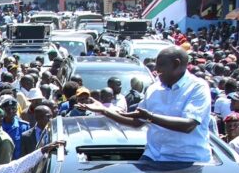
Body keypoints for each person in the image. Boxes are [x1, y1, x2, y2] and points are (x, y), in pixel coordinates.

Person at [80, 46, 213, 163]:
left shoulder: (197, 87)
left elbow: (188, 125)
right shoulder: (154, 89)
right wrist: (104, 110)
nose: (156, 69)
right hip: (154, 156)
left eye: (160, 64)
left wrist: (150, 117)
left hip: (188, 160)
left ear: (176, 64)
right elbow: (137, 121)